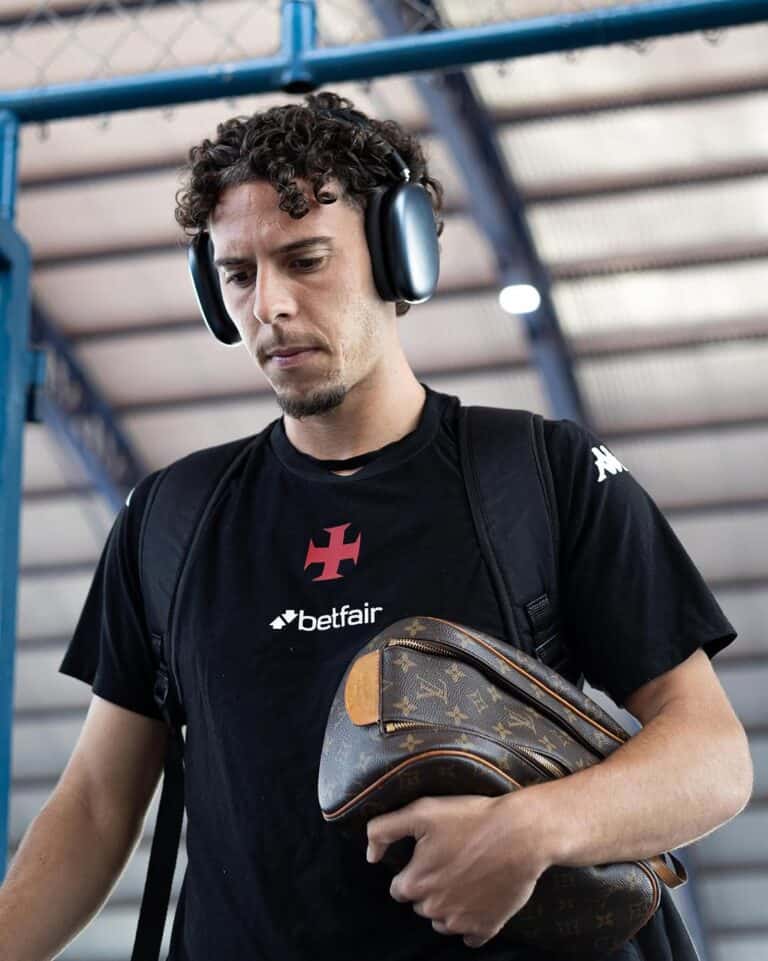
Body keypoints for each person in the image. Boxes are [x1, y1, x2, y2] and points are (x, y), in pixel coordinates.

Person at [0, 90, 753, 961]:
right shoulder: (172, 518)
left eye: (306, 259)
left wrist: (533, 828)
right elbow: (95, 804)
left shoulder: (536, 476)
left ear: (398, 260)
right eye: (239, 275)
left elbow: (711, 755)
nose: (269, 305)